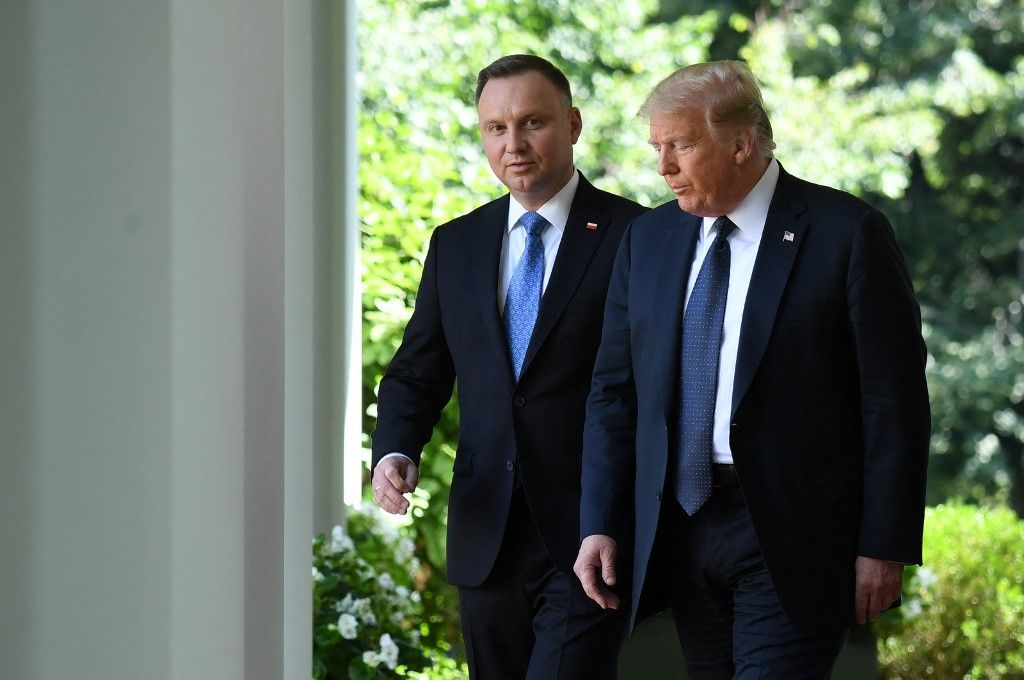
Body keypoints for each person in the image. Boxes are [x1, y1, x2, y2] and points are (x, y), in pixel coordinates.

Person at [573, 60, 930, 678]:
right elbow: (613, 393)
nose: (664, 168)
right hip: (681, 528)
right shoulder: (648, 240)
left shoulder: (847, 234)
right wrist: (599, 522)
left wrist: (885, 544)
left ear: (742, 144)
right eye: (658, 148)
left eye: (680, 145)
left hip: (793, 534)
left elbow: (893, 400)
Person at [371, 54, 647, 679]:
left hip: (590, 531)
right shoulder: (456, 244)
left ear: (573, 124)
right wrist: (394, 450)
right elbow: (419, 369)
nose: (513, 144)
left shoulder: (637, 235)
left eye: (531, 123)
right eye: (496, 128)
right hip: (485, 528)